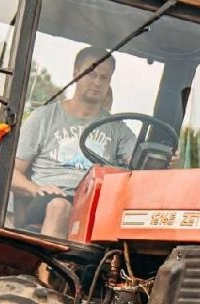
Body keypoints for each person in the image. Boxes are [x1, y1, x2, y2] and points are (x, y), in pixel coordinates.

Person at [12, 46, 135, 236]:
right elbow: (12, 173)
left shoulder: (117, 129)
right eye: (91, 74)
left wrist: (165, 161)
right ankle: (51, 265)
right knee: (60, 207)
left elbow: (141, 162)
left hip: (94, 202)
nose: (97, 82)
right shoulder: (44, 118)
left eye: (104, 78)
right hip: (50, 197)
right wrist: (36, 189)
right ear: (76, 73)